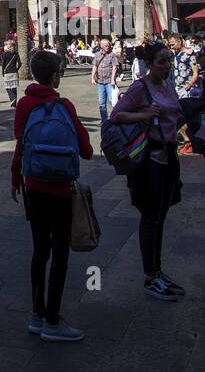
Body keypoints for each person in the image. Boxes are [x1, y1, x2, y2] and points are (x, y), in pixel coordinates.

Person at [11, 48, 93, 341]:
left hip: (32, 186)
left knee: (39, 251)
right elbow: (86, 150)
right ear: (55, 76)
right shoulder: (65, 106)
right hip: (59, 190)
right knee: (60, 252)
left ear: (33, 75)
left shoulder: (23, 105)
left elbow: (20, 144)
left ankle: (36, 313)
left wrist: (15, 178)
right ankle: (53, 320)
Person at [109, 39, 186, 299]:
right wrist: (144, 115)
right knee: (150, 217)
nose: (167, 65)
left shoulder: (169, 85)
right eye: (162, 61)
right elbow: (116, 115)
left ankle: (157, 271)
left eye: (169, 60)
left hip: (169, 157)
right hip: (148, 161)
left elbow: (176, 114)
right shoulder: (139, 89)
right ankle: (149, 276)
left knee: (161, 215)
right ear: (150, 64)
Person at [91, 37, 119, 120]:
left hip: (109, 82)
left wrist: (113, 79)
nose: (108, 47)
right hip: (100, 82)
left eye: (109, 46)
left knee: (113, 101)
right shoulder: (97, 55)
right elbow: (95, 66)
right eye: (106, 46)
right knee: (101, 103)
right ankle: (104, 120)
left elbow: (115, 67)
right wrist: (92, 77)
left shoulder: (112, 55)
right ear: (101, 46)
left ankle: (116, 118)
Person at [1, 37, 21, 107]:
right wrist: (16, 69)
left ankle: (12, 98)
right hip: (14, 72)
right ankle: (15, 103)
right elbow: (20, 63)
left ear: (10, 45)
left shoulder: (6, 54)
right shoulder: (16, 53)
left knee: (7, 87)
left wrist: (2, 72)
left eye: (8, 45)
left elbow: (3, 64)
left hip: (8, 72)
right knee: (14, 87)